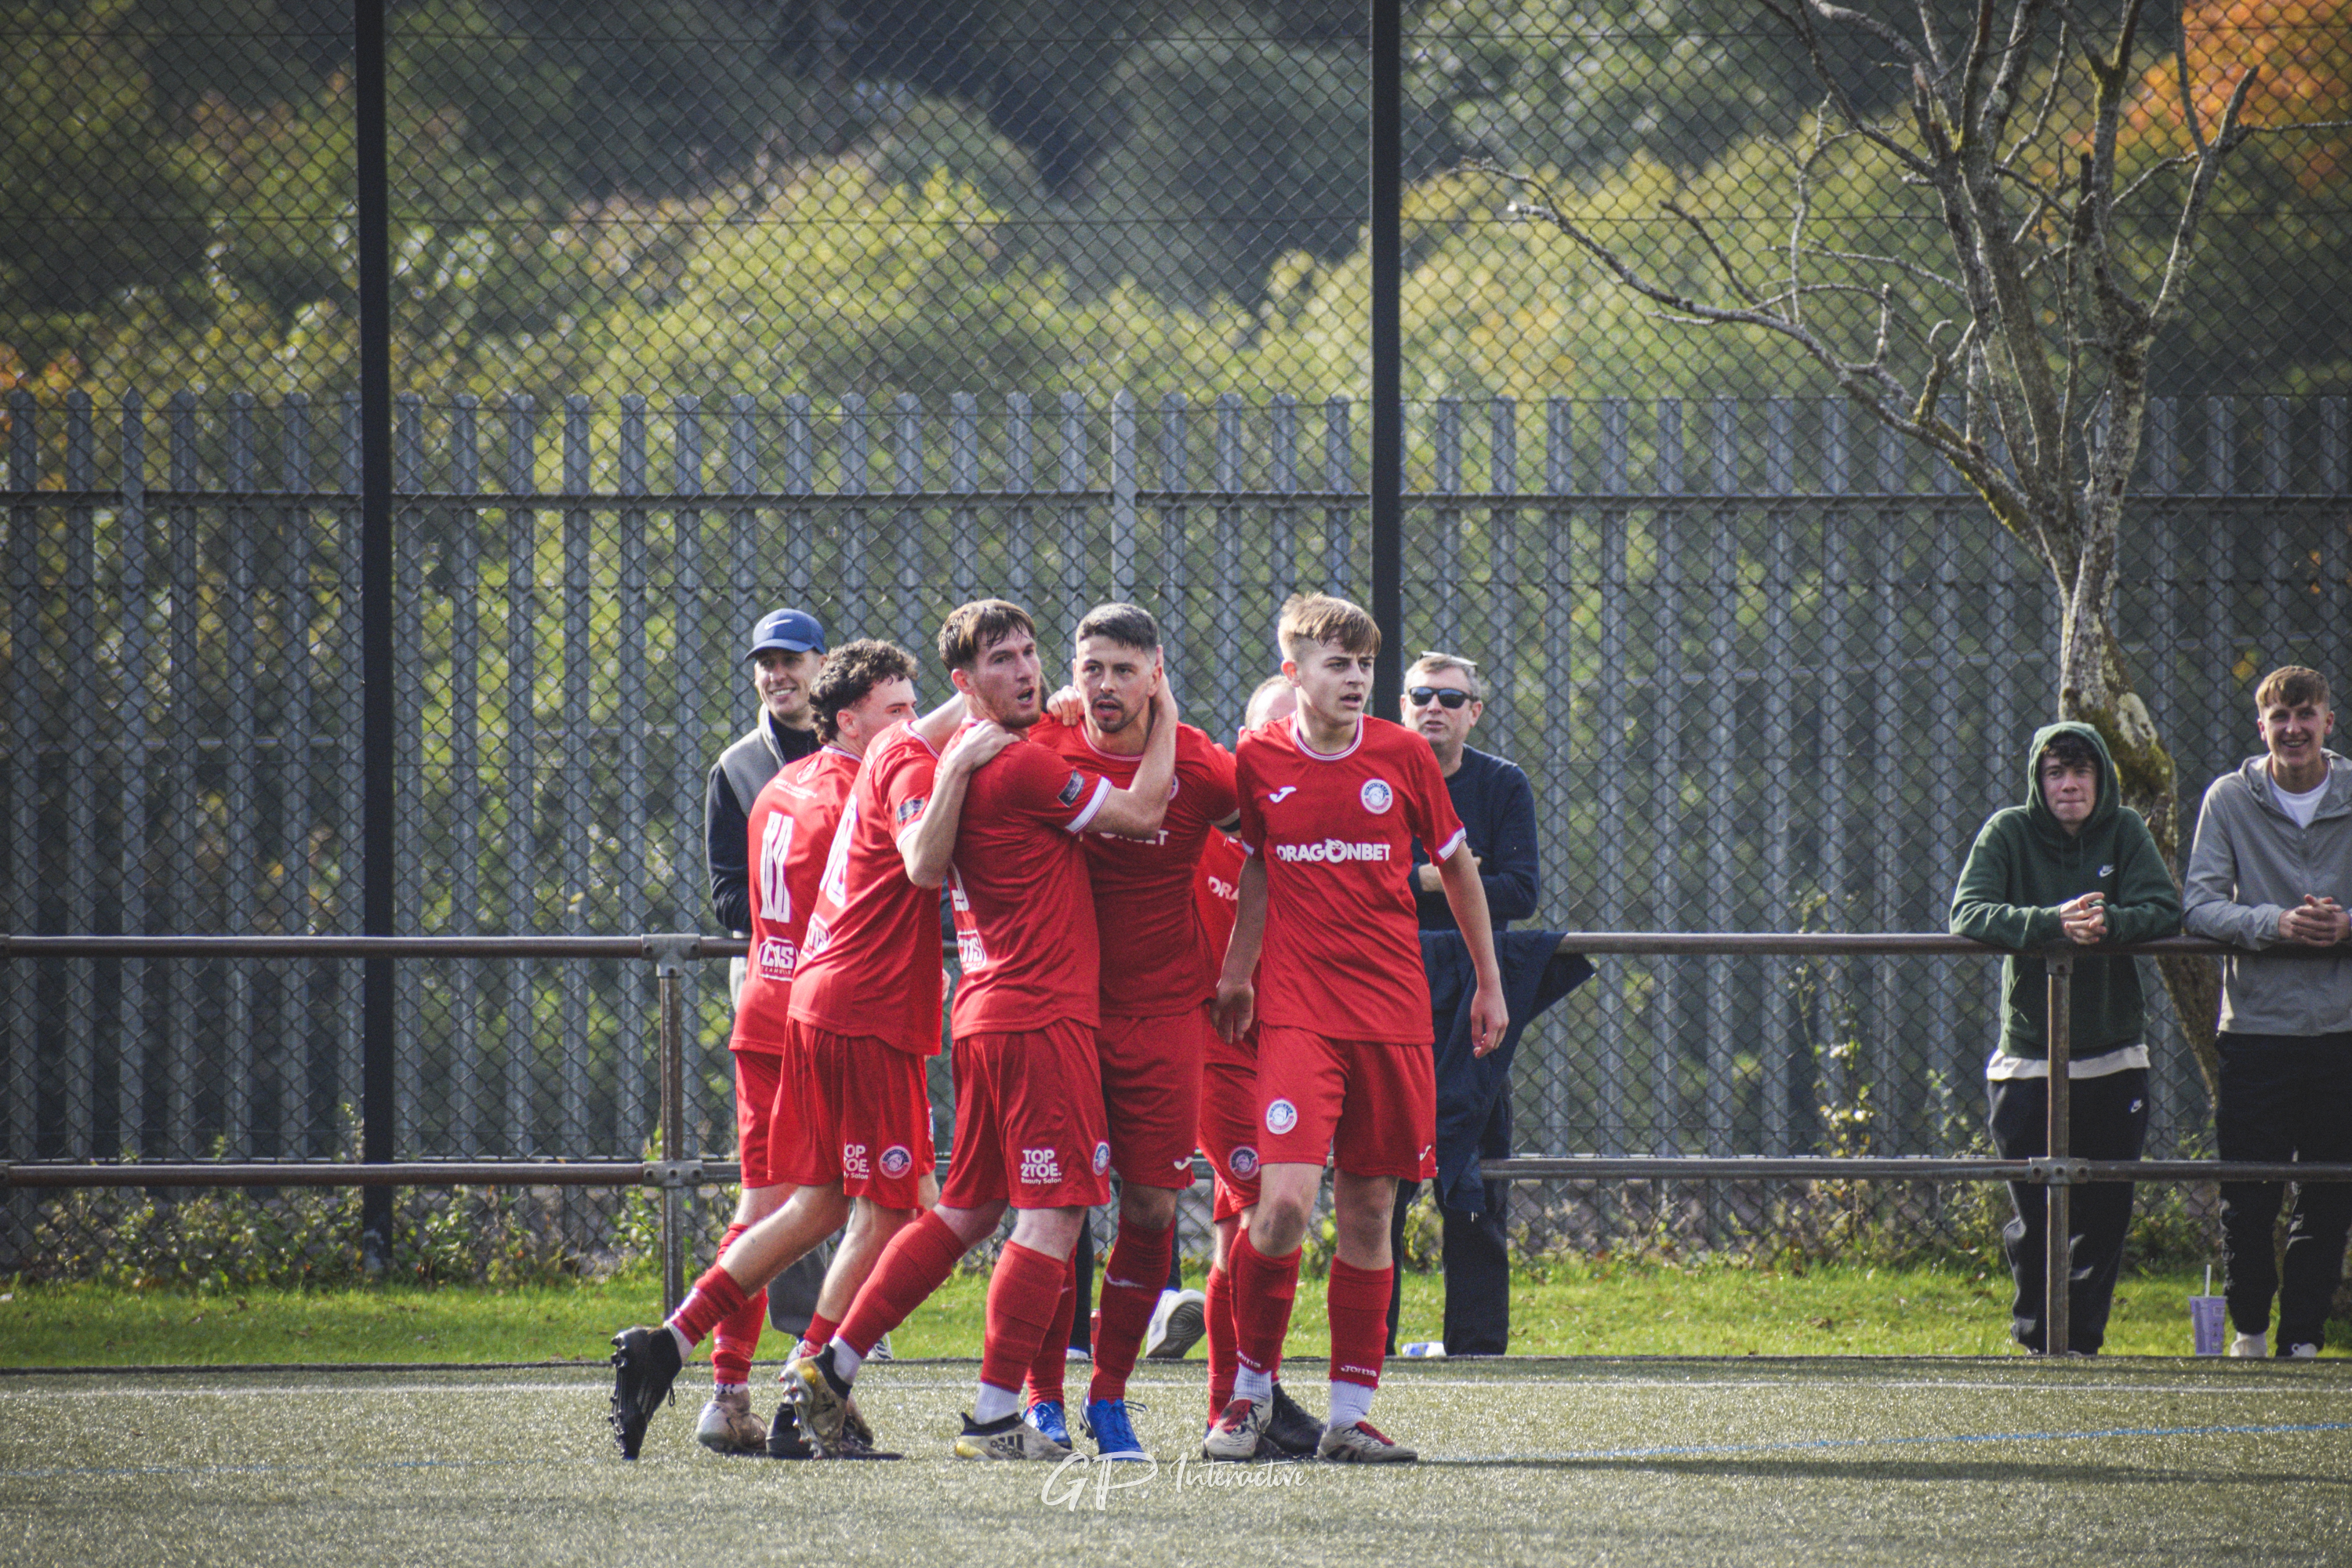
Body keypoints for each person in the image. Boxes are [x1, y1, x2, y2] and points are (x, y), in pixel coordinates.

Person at [784, 600, 1181, 1461]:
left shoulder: (943, 757)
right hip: (1041, 1016)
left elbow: (929, 844)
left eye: (1033, 652)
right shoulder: (1018, 769)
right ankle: (998, 1415)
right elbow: (1149, 810)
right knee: (1057, 1211)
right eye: (1003, 659)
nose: (1028, 670)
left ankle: (833, 1360)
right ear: (964, 685)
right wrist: (1165, 704)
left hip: (986, 1010)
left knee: (966, 1208)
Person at [608, 644, 1014, 1460]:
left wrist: (965, 707)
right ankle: (804, 1378)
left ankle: (686, 1350)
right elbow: (911, 852)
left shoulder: (783, 784)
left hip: (784, 1003)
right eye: (895, 710)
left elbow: (900, 748)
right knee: (894, 1207)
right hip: (854, 1012)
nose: (910, 723)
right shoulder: (864, 791)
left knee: (810, 1203)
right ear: (852, 717)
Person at [1206, 593, 1507, 1463]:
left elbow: (1457, 869)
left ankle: (1347, 1413)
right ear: (1293, 670)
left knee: (1371, 1209)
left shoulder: (1404, 755)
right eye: (1338, 663)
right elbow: (1256, 864)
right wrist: (1236, 970)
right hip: (1299, 1014)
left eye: (1365, 665)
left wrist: (1489, 983)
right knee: (1284, 1202)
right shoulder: (1257, 759)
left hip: (1393, 1016)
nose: (1356, 679)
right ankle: (1250, 1396)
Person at [1021, 603, 1239, 1459]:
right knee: (1058, 1208)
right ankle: (1040, 1396)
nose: (1102, 686)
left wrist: (1239, 969)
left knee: (1150, 1208)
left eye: (1121, 669)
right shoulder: (1045, 743)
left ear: (1156, 671)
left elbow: (1260, 854)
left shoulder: (1205, 768)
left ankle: (1109, 1397)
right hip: (1062, 1010)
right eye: (1090, 669)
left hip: (1164, 1014)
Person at [1948, 722, 2180, 1355]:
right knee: (2036, 1216)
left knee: (2104, 1216)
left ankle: (2080, 1343)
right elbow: (1968, 911)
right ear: (2039, 780)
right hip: (2027, 1058)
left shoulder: (2126, 831)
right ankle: (2034, 1340)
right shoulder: (2007, 831)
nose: (2070, 785)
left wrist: (2106, 922)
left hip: (2114, 1055)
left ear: (2100, 779)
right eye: (2057, 772)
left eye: (2082, 772)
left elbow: (2164, 908)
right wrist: (2051, 924)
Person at [2183, 665, 2352, 1359]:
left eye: (2304, 714)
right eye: (2278, 716)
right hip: (2254, 1029)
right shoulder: (2228, 798)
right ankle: (2248, 1329)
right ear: (2262, 727)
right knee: (2247, 1195)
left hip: (2342, 1030)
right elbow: (2197, 904)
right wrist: (2274, 924)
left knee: (2329, 1193)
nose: (2293, 728)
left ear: (2328, 722)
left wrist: (2347, 926)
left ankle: (2305, 1340)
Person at [1388, 651, 1540, 1358]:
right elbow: (1366, 881)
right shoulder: (1378, 776)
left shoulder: (1502, 783)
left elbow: (1519, 890)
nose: (1435, 707)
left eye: (1451, 697)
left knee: (1477, 1172)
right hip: (1386, 994)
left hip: (1478, 1004)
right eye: (1421, 694)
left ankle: (1477, 1346)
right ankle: (1372, 1343)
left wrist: (1420, 880)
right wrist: (1449, 872)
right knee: (1381, 1176)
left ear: (1474, 711)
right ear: (1403, 702)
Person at [1189, 673, 1326, 1454]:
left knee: (1243, 1227)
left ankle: (1245, 1401)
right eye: (1271, 734)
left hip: (1293, 1045)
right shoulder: (1201, 824)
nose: (1285, 750)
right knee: (1264, 1212)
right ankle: (1241, 1401)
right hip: (1219, 1049)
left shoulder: (1314, 829)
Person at [700, 608, 830, 1365]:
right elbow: (724, 897)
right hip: (777, 988)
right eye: (765, 663)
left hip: (852, 986)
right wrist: (814, 904)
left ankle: (824, 1329)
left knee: (847, 1172)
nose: (777, 675)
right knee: (778, 1182)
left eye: (791, 660)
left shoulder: (862, 749)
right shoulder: (740, 767)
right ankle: (800, 1337)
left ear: (822, 665)